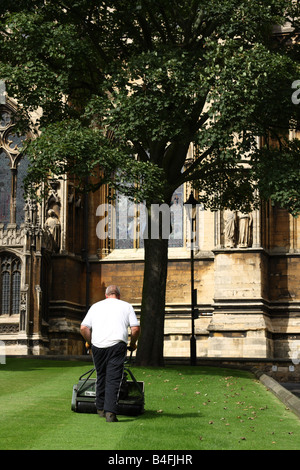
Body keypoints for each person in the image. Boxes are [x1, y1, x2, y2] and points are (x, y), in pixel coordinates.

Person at [80, 285, 140, 422]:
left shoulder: (95, 306)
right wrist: (132, 343)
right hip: (117, 345)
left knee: (101, 375)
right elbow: (135, 329)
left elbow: (83, 328)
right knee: (113, 378)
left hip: (98, 346)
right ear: (118, 296)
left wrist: (90, 342)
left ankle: (100, 408)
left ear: (106, 295)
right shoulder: (126, 306)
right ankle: (110, 412)